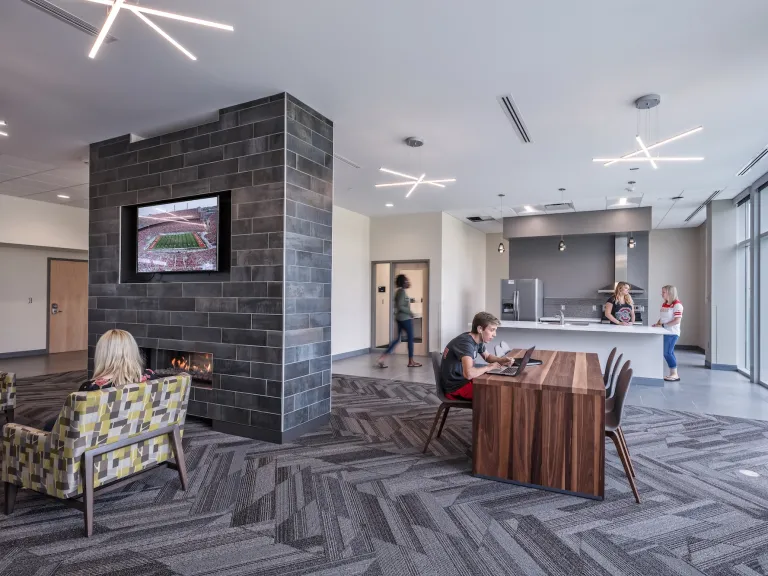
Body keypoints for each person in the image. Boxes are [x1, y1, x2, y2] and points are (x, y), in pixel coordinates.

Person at [42, 329, 157, 431]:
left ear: (102, 354)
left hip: (102, 445)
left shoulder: (92, 388)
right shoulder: (150, 377)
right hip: (138, 433)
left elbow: (81, 425)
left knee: (50, 425)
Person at [440, 312, 513, 401]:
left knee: (499, 386)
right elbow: (469, 374)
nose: (495, 334)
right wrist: (489, 367)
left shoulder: (477, 340)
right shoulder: (465, 343)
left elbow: (487, 357)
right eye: (492, 330)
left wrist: (502, 360)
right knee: (497, 394)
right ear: (480, 329)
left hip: (463, 381)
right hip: (456, 387)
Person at [377, 274, 422, 368]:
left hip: (399, 319)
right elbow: (400, 306)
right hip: (405, 319)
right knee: (410, 338)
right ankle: (411, 361)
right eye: (406, 281)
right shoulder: (401, 292)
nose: (408, 282)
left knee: (398, 339)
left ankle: (382, 357)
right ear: (403, 282)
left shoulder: (399, 292)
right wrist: (410, 313)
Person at [653, 285, 683, 382]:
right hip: (665, 331)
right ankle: (673, 373)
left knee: (667, 352)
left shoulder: (677, 305)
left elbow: (677, 320)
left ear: (670, 293)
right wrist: (658, 323)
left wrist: (663, 326)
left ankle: (674, 374)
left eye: (663, 292)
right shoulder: (665, 304)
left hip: (672, 333)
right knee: (669, 352)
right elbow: (663, 317)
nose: (661, 294)